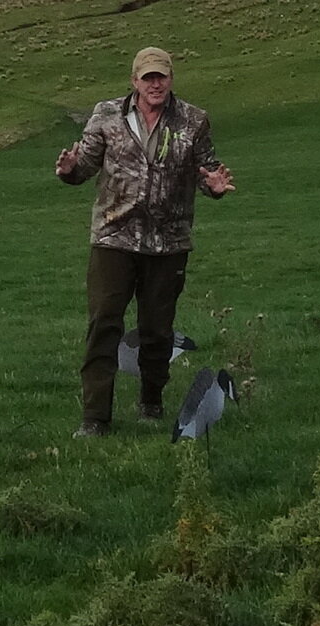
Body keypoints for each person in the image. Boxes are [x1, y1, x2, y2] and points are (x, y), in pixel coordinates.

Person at [54, 46, 235, 433]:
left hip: (167, 242)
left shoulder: (193, 120)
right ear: (134, 81)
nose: (155, 84)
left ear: (171, 79)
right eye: (148, 77)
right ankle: (94, 417)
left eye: (162, 77)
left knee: (157, 330)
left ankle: (151, 400)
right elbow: (84, 166)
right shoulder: (106, 115)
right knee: (104, 323)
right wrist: (69, 170)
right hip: (113, 237)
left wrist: (215, 186)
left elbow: (208, 170)